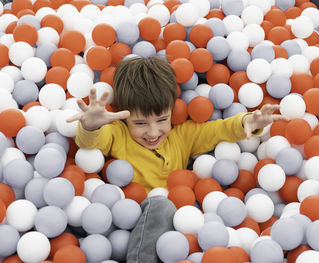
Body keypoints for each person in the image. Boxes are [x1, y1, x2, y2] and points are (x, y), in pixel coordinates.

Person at [67, 56, 285, 263]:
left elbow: (218, 130)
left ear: (172, 111)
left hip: (180, 230)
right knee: (160, 205)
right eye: (140, 123)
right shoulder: (117, 135)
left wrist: (249, 120)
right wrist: (90, 125)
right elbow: (90, 143)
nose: (153, 132)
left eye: (162, 120)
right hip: (128, 222)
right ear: (124, 116)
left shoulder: (182, 136)